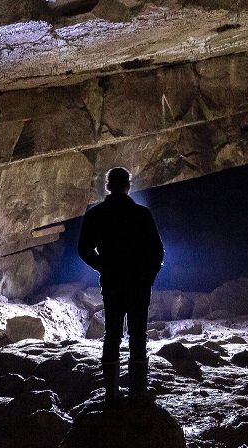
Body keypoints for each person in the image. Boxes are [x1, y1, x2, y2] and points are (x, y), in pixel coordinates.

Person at [77, 167, 164, 405]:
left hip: (112, 282)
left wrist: (103, 266)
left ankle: (111, 395)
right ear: (129, 186)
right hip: (139, 283)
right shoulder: (142, 214)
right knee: (138, 335)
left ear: (107, 187)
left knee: (112, 334)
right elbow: (157, 252)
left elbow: (83, 249)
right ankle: (137, 393)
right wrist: (148, 276)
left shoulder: (97, 215)